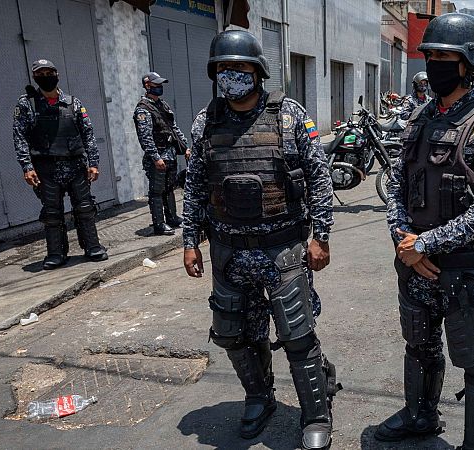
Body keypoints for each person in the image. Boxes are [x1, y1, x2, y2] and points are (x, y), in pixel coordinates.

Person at [182, 30, 339, 450]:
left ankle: (316, 413)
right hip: (228, 251)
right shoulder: (205, 122)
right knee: (234, 332)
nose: (231, 75)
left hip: (283, 247)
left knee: (297, 334)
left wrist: (320, 235)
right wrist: (189, 240)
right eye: (223, 69)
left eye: (240, 68)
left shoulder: (288, 116)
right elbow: (195, 185)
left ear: (258, 72)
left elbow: (320, 179)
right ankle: (259, 397)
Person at [376, 13, 474, 450]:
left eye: (444, 57)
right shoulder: (419, 117)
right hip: (415, 264)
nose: (433, 63)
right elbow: (396, 183)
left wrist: (426, 243)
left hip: (463, 271)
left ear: (468, 62)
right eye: (430, 55)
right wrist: (405, 242)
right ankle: (420, 416)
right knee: (419, 348)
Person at [13, 59, 108, 270]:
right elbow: (20, 137)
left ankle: (92, 246)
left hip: (75, 165)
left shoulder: (73, 103)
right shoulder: (27, 104)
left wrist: (94, 162)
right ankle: (56, 253)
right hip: (46, 168)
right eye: (41, 74)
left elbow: (88, 134)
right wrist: (27, 167)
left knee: (84, 208)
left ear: (57, 74)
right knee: (52, 213)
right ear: (35, 77)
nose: (46, 77)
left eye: (50, 72)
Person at [134, 72, 190, 236]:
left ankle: (172, 218)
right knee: (157, 191)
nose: (160, 88)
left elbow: (174, 128)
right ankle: (159, 224)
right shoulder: (143, 109)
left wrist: (185, 146)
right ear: (147, 85)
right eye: (156, 85)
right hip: (158, 157)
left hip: (170, 154)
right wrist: (155, 157)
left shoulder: (163, 105)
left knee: (169, 189)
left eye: (160, 85)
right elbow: (145, 137)